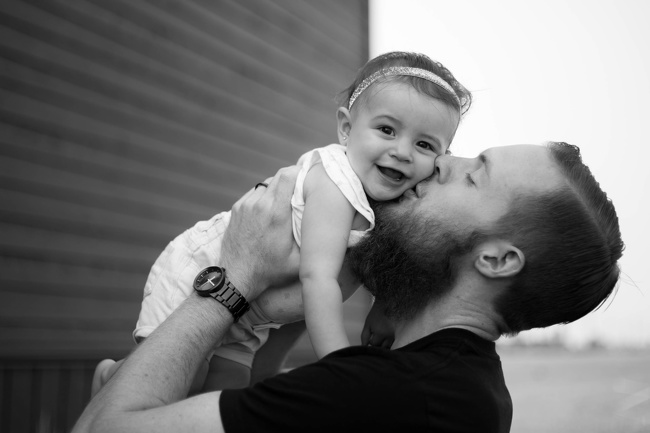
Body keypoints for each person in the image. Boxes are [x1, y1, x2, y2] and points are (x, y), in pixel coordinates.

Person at [73, 141, 624, 433]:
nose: (438, 162)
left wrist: (233, 278)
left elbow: (103, 429)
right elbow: (259, 401)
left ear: (497, 260)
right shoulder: (461, 391)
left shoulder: (392, 394)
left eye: (471, 174)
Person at [91, 51, 473, 395]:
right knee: (180, 380)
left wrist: (385, 307)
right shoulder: (335, 183)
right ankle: (113, 378)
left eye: (425, 145)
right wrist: (338, 361)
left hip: (249, 317)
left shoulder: (393, 198)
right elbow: (318, 277)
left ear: (442, 157)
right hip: (201, 273)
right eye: (387, 130)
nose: (402, 152)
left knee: (225, 392)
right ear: (346, 128)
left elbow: (388, 258)